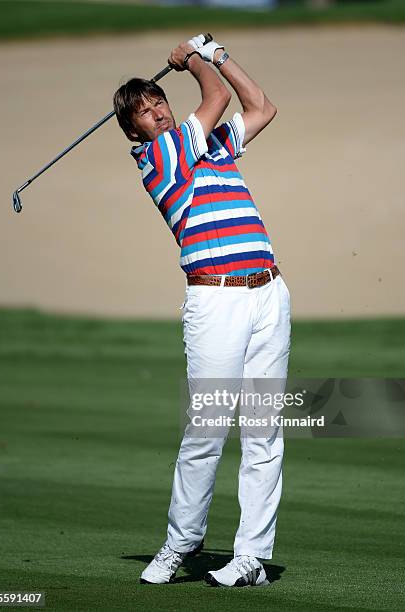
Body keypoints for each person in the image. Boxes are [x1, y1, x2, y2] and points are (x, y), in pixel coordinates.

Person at [113, 34, 291, 587]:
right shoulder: (160, 157)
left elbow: (261, 105)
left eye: (157, 101)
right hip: (215, 300)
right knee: (208, 430)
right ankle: (179, 546)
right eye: (144, 112)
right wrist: (193, 62)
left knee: (264, 431)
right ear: (133, 131)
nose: (157, 112)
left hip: (268, 294)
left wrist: (218, 54)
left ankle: (251, 558)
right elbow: (213, 99)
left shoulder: (211, 146)